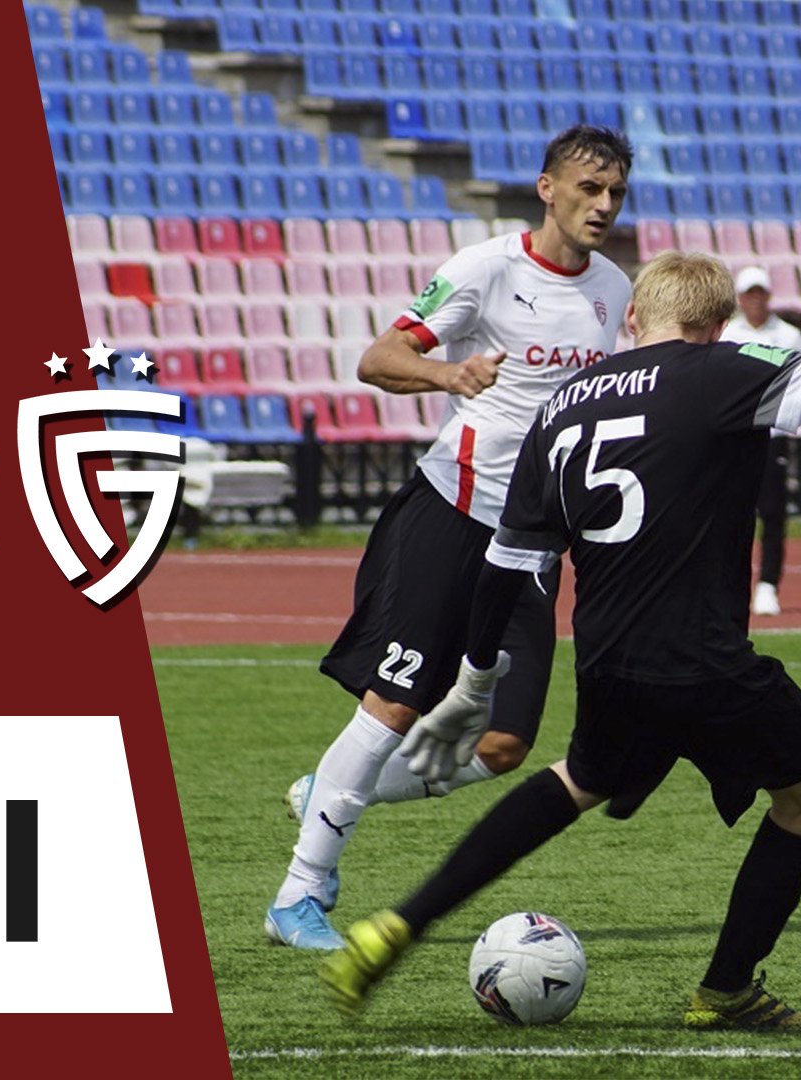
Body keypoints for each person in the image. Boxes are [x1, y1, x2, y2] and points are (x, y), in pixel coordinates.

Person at [320, 111, 801, 1031]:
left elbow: (510, 561)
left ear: (630, 319)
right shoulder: (725, 370)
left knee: (577, 779)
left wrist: (478, 678)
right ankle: (725, 989)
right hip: (703, 658)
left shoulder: (563, 404)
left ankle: (398, 923)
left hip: (608, 659)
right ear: (713, 327)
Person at [265, 127, 636, 950]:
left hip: (531, 544)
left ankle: (330, 790)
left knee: (503, 745)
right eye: (589, 188)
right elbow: (379, 357)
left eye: (615, 192)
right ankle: (299, 895)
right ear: (547, 188)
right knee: (395, 703)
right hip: (453, 517)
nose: (604, 205)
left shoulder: (614, 289)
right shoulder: (485, 269)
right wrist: (447, 373)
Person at [720, 267, 801, 617]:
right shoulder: (729, 333)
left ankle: (768, 585)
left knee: (772, 513)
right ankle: (731, 583)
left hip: (772, 434)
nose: (755, 300)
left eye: (760, 293)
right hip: (736, 434)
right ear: (740, 299)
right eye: (749, 293)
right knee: (732, 512)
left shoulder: (788, 335)